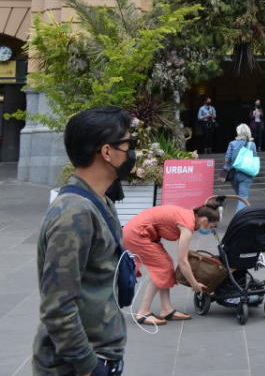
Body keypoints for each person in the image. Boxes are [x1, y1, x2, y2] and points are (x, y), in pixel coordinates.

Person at [34, 107, 135, 376]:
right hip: (76, 366)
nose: (131, 152)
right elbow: (57, 307)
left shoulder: (101, 202)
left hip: (101, 355)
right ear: (106, 152)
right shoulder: (74, 213)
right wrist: (89, 367)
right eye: (128, 144)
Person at [122, 199, 220, 326]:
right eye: (212, 227)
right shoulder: (187, 225)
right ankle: (143, 312)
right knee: (162, 268)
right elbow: (183, 261)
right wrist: (194, 284)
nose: (211, 230)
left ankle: (166, 309)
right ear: (204, 221)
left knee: (166, 266)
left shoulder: (189, 216)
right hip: (136, 235)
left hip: (138, 232)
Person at [224, 123, 257, 209]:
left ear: (238, 132)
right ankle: (240, 218)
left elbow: (227, 160)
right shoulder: (251, 145)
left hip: (233, 174)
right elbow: (254, 158)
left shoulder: (232, 143)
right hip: (246, 174)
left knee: (240, 197)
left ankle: (243, 215)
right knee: (243, 197)